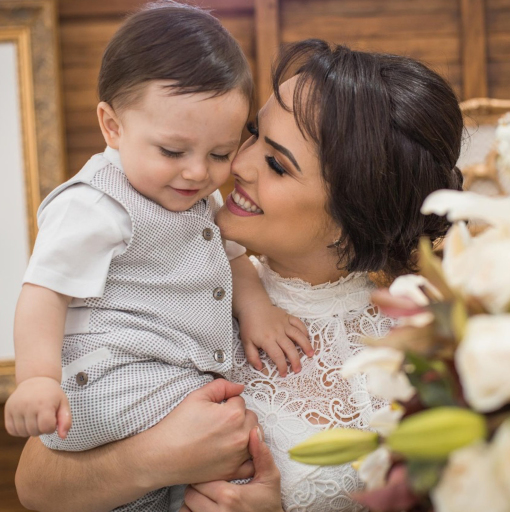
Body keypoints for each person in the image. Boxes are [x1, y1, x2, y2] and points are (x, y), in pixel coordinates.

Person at [15, 39, 463, 512]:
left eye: (275, 164)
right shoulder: (183, 282)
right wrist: (153, 459)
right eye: (251, 133)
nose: (235, 165)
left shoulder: (430, 349)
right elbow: (34, 482)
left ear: (355, 217)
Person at [5, 3, 313, 511]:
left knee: (201, 469)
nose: (197, 173)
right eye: (173, 152)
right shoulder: (94, 204)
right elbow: (43, 291)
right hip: (113, 380)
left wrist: (257, 309)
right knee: (227, 443)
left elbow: (229, 254)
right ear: (112, 126)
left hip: (172, 373)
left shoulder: (192, 195)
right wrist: (37, 378)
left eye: (219, 154)